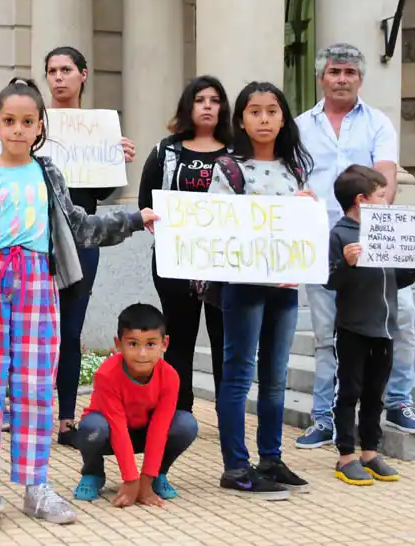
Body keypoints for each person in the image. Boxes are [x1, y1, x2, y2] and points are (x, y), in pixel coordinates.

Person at [0, 77, 158, 528]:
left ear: (39, 125)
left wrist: (134, 219)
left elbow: (81, 227)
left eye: (27, 122)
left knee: (36, 389)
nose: (18, 130)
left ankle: (35, 485)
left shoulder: (48, 175)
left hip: (38, 286)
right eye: (9, 121)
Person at [294, 42, 415, 449]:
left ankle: (399, 402)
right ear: (321, 78)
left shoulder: (379, 123)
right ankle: (323, 417)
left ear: (360, 79)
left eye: (350, 73)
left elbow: (384, 178)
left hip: (374, 243)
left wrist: (379, 229)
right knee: (324, 333)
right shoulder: (299, 126)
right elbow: (295, 177)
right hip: (323, 246)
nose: (342, 79)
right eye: (334, 72)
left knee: (401, 318)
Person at [208, 81, 314, 500]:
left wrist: (307, 205)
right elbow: (216, 222)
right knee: (238, 375)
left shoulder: (295, 169)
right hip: (244, 284)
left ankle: (270, 457)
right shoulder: (229, 168)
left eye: (272, 111)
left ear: (284, 117)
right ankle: (236, 466)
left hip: (285, 284)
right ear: (241, 119)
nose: (264, 119)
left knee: (275, 376)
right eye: (255, 111)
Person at [42, 46, 137, 448]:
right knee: (28, 330)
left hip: (81, 242)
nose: (59, 77)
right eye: (52, 71)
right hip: (34, 241)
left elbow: (96, 193)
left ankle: (66, 420)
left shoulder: (100, 130)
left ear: (84, 74)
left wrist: (118, 163)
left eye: (66, 70)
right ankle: (21, 412)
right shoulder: (32, 122)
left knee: (70, 330)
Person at [325, 165, 415, 485]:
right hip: (352, 327)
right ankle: (346, 454)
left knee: (375, 393)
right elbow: (331, 281)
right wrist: (347, 263)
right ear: (362, 200)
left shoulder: (386, 233)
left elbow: (396, 279)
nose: (387, 202)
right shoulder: (341, 234)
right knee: (349, 391)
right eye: (382, 196)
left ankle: (370, 452)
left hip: (384, 328)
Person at [137, 75, 232, 410]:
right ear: (188, 106)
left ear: (223, 108)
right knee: (179, 335)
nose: (207, 106)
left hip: (225, 261)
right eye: (200, 99)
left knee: (224, 338)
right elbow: (145, 201)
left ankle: (227, 410)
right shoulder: (166, 151)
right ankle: (180, 410)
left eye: (214, 100)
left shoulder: (238, 152)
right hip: (176, 258)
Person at [73, 303, 198, 507]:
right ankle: (93, 473)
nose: (142, 354)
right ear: (119, 344)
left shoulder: (170, 377)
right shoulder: (107, 374)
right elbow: (117, 426)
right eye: (133, 344)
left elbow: (160, 428)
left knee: (186, 424)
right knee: (91, 427)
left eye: (150, 344)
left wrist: (145, 481)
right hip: (108, 434)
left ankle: (158, 474)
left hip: (143, 433)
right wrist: (131, 480)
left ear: (164, 344)